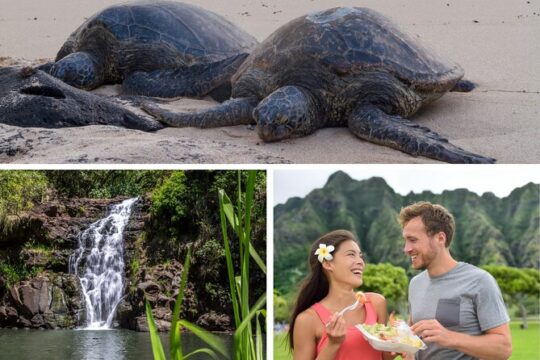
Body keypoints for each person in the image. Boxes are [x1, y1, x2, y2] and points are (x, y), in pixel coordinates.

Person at [399, 202, 512, 360]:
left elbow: (503, 348)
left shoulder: (480, 281)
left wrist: (450, 338)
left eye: (413, 240)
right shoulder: (415, 284)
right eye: (405, 241)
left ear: (440, 238)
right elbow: (413, 344)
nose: (406, 248)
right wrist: (401, 345)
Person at [289, 229, 396, 360]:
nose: (360, 262)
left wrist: (397, 347)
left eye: (360, 256)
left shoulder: (376, 303)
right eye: (351, 255)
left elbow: (385, 357)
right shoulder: (307, 320)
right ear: (328, 264)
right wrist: (333, 344)